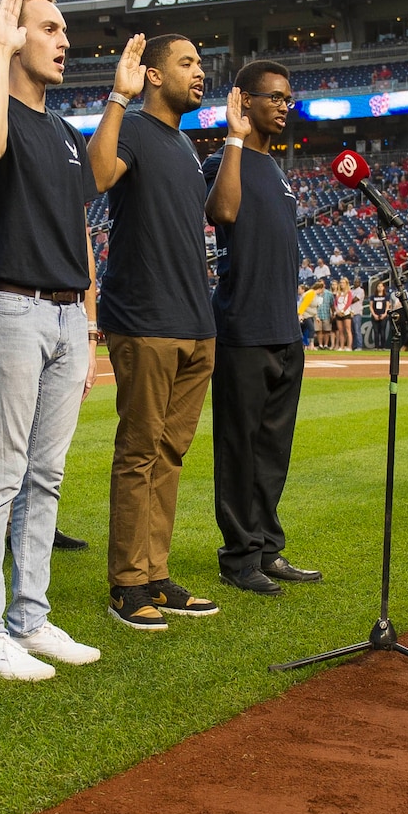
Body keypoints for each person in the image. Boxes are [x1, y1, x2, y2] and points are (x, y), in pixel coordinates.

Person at [0, 0, 104, 679]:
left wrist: (91, 321)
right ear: (14, 35)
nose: (63, 40)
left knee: (46, 475)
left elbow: (79, 225)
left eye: (62, 28)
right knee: (2, 473)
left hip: (69, 313)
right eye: (48, 27)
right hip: (11, 305)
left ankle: (30, 617)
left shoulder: (66, 132)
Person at [87, 32, 223, 629]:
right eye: (187, 63)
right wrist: (117, 99)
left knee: (170, 453)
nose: (201, 73)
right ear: (154, 76)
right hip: (145, 320)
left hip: (196, 321)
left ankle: (154, 572)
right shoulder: (135, 130)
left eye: (200, 63)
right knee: (140, 452)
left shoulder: (188, 145)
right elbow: (95, 176)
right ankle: (126, 585)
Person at [204, 59, 322, 597]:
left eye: (287, 99)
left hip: (284, 329)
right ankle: (238, 557)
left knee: (274, 450)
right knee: (239, 450)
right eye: (272, 97)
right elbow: (223, 213)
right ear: (243, 100)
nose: (282, 105)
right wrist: (233, 139)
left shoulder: (277, 171)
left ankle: (268, 548)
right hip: (241, 328)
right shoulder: (220, 161)